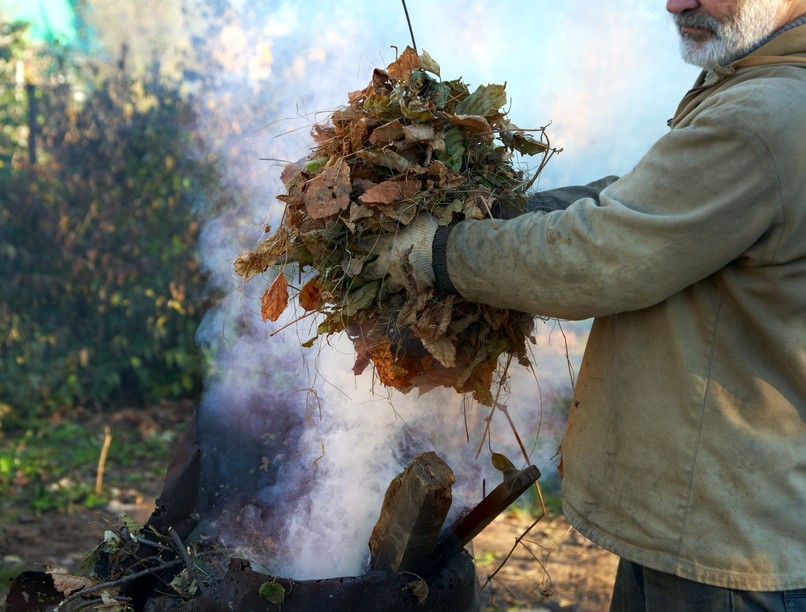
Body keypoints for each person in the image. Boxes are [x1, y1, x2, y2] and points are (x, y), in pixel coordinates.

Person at [371, 1, 806, 609]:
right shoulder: (760, 87)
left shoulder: (766, 114)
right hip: (711, 519)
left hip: (723, 547)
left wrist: (438, 252)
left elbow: (603, 252)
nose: (676, 3)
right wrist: (503, 214)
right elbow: (642, 199)